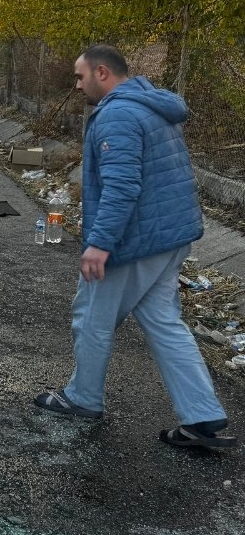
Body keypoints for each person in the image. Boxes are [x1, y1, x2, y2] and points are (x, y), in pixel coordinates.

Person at [33, 44, 235, 450]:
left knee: (91, 315)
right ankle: (202, 414)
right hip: (171, 235)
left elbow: (122, 186)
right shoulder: (152, 105)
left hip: (137, 239)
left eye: (80, 76)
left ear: (102, 72)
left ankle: (82, 398)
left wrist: (99, 244)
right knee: (164, 322)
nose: (77, 84)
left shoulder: (119, 114)